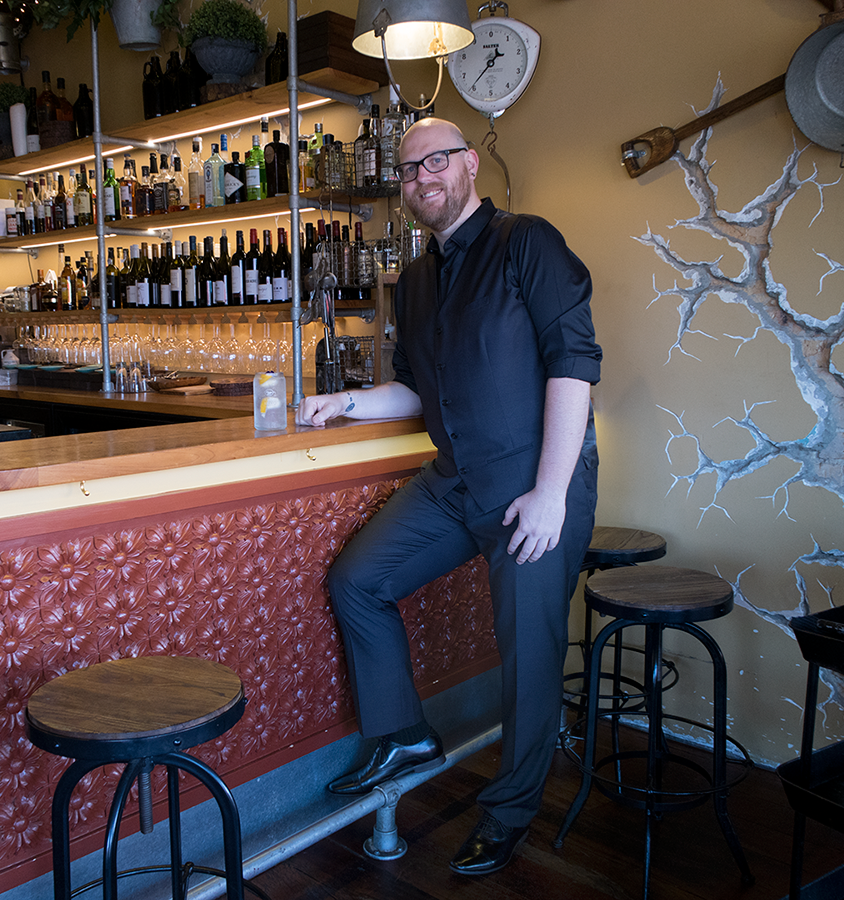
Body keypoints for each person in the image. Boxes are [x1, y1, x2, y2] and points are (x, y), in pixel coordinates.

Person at [296, 117, 600, 876]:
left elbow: (574, 365)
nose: (420, 178)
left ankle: (510, 810)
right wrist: (348, 404)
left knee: (528, 656)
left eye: (435, 162)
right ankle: (401, 734)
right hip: (456, 483)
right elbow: (413, 387)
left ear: (468, 164)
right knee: (358, 579)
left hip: (534, 486)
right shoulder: (419, 279)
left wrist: (552, 493)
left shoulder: (527, 242)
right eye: (406, 170)